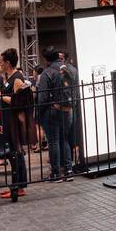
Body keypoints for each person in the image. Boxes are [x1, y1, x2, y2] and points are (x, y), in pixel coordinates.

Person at [34, 47, 73, 182]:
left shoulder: (47, 72)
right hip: (67, 109)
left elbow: (43, 97)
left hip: (52, 110)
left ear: (46, 59)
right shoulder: (70, 69)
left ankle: (55, 173)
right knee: (65, 139)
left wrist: (39, 113)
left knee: (53, 142)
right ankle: (68, 171)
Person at [0, 48, 31, 201]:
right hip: (8, 120)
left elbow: (18, 102)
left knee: (15, 153)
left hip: (14, 122)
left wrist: (0, 96)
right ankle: (18, 185)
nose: (0, 64)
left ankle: (17, 187)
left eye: (1, 62)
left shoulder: (17, 78)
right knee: (14, 153)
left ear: (8, 63)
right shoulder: (10, 77)